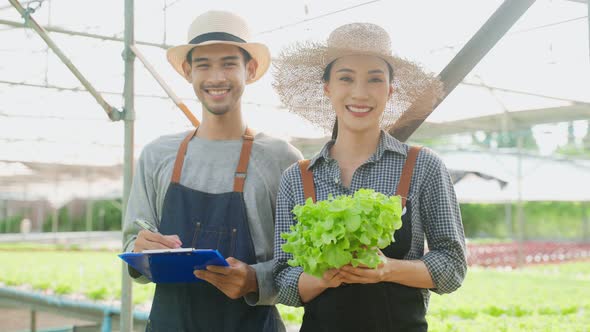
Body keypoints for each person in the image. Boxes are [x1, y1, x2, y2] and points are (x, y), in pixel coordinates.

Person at [272, 23, 467, 331]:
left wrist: (388, 269)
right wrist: (322, 277)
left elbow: (453, 268)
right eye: (346, 78)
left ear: (390, 89)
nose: (360, 93)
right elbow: (283, 280)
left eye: (375, 79)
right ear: (328, 87)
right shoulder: (297, 177)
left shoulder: (423, 166)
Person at [122, 10, 301, 332]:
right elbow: (132, 241)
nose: (216, 77)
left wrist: (253, 280)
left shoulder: (281, 158)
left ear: (250, 68)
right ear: (188, 72)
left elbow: (302, 264)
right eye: (203, 65)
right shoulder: (157, 155)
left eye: (229, 63)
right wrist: (140, 248)